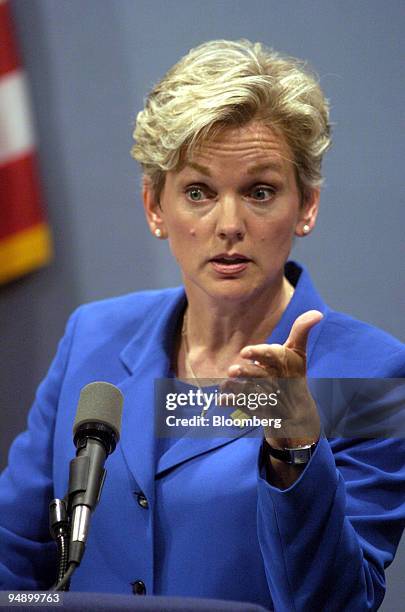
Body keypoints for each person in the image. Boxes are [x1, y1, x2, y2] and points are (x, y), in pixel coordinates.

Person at [0, 39, 404, 611]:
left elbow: (338, 603)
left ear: (306, 205)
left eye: (260, 191)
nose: (229, 224)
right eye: (199, 192)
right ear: (155, 208)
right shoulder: (93, 337)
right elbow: (12, 551)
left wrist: (296, 450)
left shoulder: (369, 373)